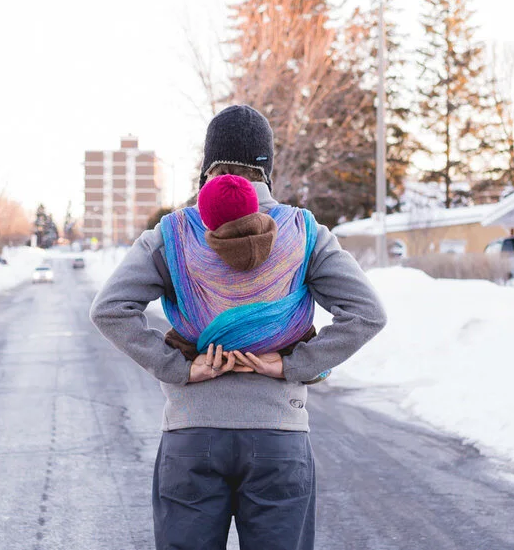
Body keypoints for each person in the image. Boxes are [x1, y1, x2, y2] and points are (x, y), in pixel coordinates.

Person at [90, 104, 387, 550]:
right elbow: (367, 313)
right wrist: (291, 364)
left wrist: (179, 368)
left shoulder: (172, 234)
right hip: (278, 437)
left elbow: (109, 309)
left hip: (191, 435)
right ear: (267, 169)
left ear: (206, 166)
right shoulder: (304, 232)